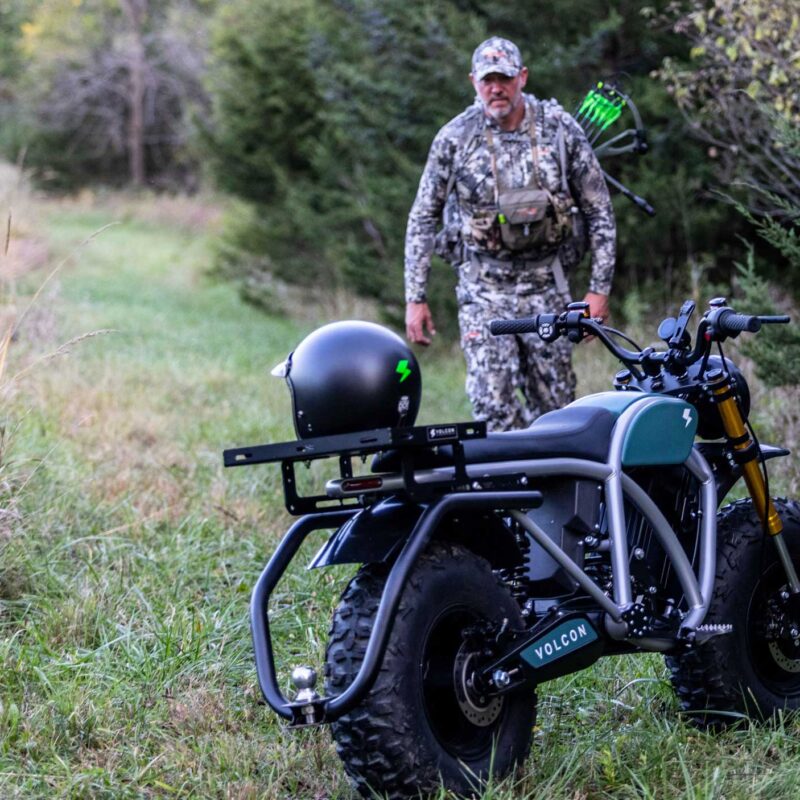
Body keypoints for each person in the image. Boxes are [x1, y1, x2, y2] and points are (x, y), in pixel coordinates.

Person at [404, 36, 616, 431]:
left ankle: (560, 488)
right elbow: (422, 217)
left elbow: (599, 209)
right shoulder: (455, 138)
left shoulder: (560, 130)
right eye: (487, 80)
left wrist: (598, 291)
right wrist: (415, 298)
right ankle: (507, 488)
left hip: (548, 289)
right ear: (473, 82)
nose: (495, 88)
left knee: (557, 411)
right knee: (492, 408)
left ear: (522, 77)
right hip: (483, 291)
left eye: (504, 78)